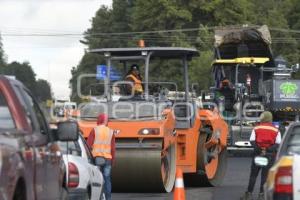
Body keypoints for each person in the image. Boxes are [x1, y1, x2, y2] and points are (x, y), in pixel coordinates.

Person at [240, 111, 281, 200]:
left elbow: (252, 140)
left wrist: (260, 149)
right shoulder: (276, 129)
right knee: (265, 176)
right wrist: (267, 149)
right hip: (269, 155)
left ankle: (249, 194)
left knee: (253, 175)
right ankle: (262, 195)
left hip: (258, 154)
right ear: (270, 118)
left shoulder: (257, 128)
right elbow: (277, 143)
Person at [87, 113, 115, 200]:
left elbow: (88, 145)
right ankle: (108, 198)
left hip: (97, 159)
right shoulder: (111, 131)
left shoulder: (95, 130)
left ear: (99, 120)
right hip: (108, 159)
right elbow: (113, 148)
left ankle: (97, 197)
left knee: (97, 179)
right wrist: (113, 160)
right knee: (107, 180)